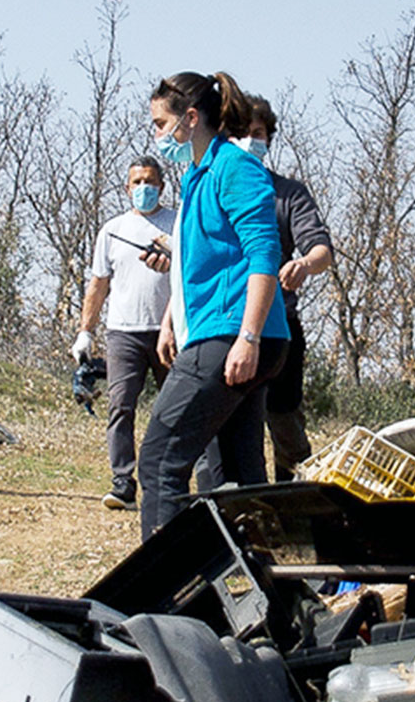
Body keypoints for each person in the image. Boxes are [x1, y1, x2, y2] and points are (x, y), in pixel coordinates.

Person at [138, 71, 288, 538]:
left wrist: (247, 338)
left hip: (233, 337)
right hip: (218, 334)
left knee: (160, 459)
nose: (158, 136)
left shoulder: (234, 167)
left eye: (161, 125)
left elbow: (264, 255)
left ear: (191, 117)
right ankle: (280, 593)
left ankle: (158, 593)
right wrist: (169, 324)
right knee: (238, 479)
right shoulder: (199, 176)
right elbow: (201, 264)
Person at [237, 95, 334, 481]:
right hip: (224, 327)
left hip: (279, 329)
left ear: (269, 138)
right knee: (227, 432)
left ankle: (297, 509)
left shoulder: (288, 194)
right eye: (241, 133)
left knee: (287, 428)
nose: (249, 141)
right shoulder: (212, 188)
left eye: (257, 133)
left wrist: (306, 264)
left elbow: (322, 249)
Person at [73, 157, 176, 510]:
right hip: (123, 333)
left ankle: (174, 483)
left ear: (162, 186)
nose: (143, 188)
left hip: (170, 332)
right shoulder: (112, 230)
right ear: (127, 187)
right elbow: (99, 283)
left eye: (150, 181)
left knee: (178, 409)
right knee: (120, 407)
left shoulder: (178, 224)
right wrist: (85, 331)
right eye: (137, 182)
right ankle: (122, 483)